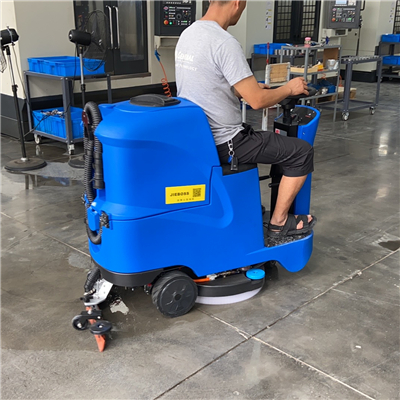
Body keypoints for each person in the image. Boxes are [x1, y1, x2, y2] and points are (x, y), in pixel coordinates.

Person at [175, 0, 316, 237]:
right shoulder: (224, 42)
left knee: (275, 146)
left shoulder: (189, 34)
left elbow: (205, 85)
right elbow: (258, 102)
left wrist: (243, 89)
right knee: (301, 152)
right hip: (227, 142)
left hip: (200, 137)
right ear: (237, 3)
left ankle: (248, 207)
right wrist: (289, 89)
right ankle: (279, 223)